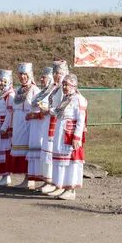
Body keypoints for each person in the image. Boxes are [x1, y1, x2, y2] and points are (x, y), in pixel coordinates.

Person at [47, 74, 87, 201]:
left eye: (67, 85)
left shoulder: (79, 99)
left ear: (74, 86)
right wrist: (46, 110)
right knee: (62, 162)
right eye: (63, 84)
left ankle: (71, 189)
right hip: (61, 132)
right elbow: (58, 111)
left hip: (70, 134)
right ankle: (63, 186)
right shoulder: (66, 99)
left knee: (71, 162)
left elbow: (81, 119)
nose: (64, 87)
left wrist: (76, 136)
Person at [38, 60, 70, 194]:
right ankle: (49, 180)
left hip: (57, 121)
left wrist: (48, 110)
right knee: (47, 150)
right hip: (50, 121)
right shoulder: (55, 87)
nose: (57, 75)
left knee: (53, 151)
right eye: (55, 72)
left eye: (60, 72)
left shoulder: (63, 88)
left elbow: (62, 106)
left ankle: (55, 182)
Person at [8, 63, 40, 189]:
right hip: (18, 123)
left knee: (28, 150)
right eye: (21, 74)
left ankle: (30, 178)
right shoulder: (17, 91)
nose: (22, 77)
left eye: (25, 74)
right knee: (21, 151)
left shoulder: (34, 90)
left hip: (28, 124)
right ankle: (26, 177)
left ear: (30, 75)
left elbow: (38, 107)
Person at [25, 67, 54, 186]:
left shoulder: (52, 94)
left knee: (44, 154)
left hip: (43, 127)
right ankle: (37, 180)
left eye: (44, 77)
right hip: (35, 128)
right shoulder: (41, 93)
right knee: (36, 154)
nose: (42, 79)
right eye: (41, 77)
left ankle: (48, 182)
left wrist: (36, 115)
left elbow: (49, 112)